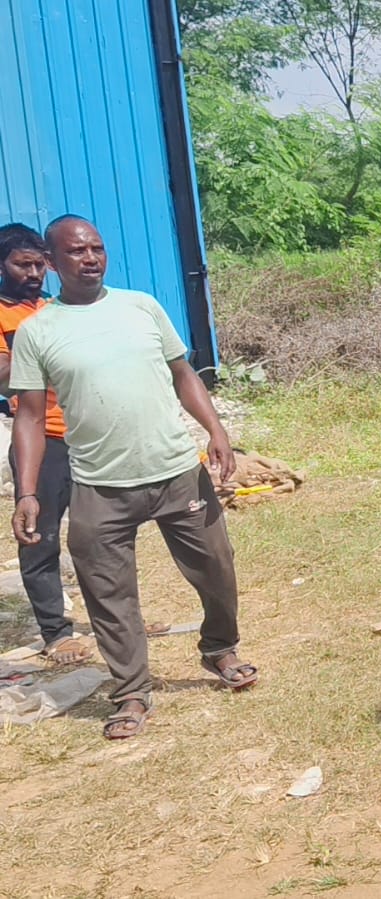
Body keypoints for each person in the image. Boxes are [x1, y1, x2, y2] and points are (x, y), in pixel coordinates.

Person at [9, 215, 257, 740]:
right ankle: (130, 692)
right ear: (53, 263)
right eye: (77, 251)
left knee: (217, 569)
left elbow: (183, 373)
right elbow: (29, 416)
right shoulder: (38, 332)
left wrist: (214, 428)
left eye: (97, 248)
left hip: (175, 472)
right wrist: (26, 492)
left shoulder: (141, 306)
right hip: (98, 484)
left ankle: (219, 647)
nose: (91, 258)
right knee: (109, 594)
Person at [0, 224, 88, 663]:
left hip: (88, 435)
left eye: (39, 264)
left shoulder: (55, 307)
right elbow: (2, 376)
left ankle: (111, 616)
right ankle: (56, 632)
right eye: (22, 264)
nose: (34, 273)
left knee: (100, 535)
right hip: (42, 438)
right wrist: (41, 347)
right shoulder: (4, 317)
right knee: (41, 537)